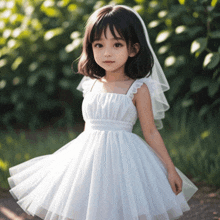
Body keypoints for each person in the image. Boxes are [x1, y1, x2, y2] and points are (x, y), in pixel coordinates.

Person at [7, 4, 198, 220]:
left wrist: (170, 169)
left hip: (125, 159)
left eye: (117, 44)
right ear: (90, 47)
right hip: (88, 157)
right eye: (99, 44)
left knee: (121, 207)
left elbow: (151, 131)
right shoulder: (90, 84)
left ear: (133, 49)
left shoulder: (138, 88)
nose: (107, 52)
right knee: (89, 206)